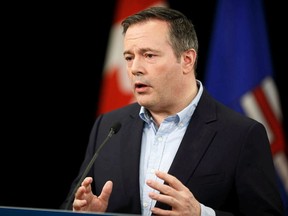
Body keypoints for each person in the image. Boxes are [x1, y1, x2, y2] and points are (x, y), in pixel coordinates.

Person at [61, 6, 284, 216]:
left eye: (149, 55)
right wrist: (83, 213)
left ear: (187, 60)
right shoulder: (108, 127)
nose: (134, 68)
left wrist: (200, 213)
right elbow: (70, 203)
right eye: (129, 57)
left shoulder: (242, 135)